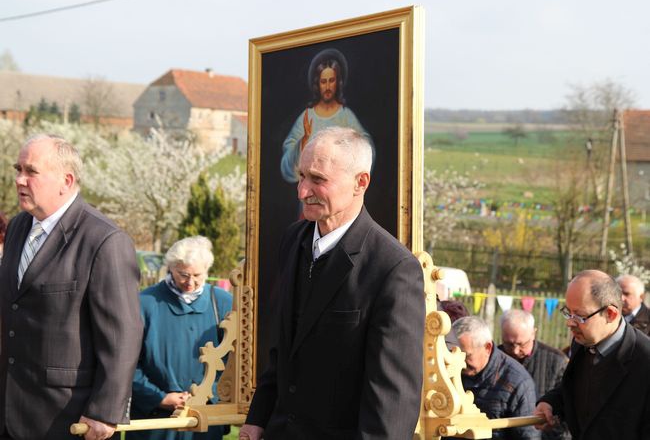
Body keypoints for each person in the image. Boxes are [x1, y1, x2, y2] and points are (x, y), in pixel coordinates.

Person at [240, 127, 424, 440]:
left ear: (360, 182)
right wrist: (258, 418)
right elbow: (285, 348)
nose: (301, 191)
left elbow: (392, 403)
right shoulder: (292, 240)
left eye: (318, 179)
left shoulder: (394, 269)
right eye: (301, 176)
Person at [0, 134, 143, 440]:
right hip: (9, 411)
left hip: (65, 419)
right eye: (18, 169)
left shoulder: (104, 240)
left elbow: (123, 334)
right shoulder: (17, 227)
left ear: (66, 180)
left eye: (31, 171)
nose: (20, 179)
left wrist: (105, 410)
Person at [130, 235, 232, 440]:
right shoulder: (145, 303)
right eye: (183, 274)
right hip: (156, 421)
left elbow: (234, 359)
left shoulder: (223, 303)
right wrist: (160, 397)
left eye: (197, 275)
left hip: (206, 416)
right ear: (171, 267)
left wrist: (208, 393)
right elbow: (127, 363)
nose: (190, 282)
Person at [534, 270, 650, 439]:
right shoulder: (583, 340)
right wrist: (550, 402)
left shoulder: (645, 361)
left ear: (611, 314)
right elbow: (577, 385)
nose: (569, 323)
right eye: (568, 312)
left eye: (580, 316)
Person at [280, 48, 373, 183]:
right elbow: (287, 165)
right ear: (318, 84)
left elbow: (366, 147)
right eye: (324, 82)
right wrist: (304, 139)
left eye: (332, 80)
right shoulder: (307, 116)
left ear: (338, 82)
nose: (328, 86)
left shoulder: (346, 116)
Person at [452, 316, 540, 440]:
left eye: (466, 355)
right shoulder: (447, 370)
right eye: (452, 354)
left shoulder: (517, 382)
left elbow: (528, 436)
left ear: (487, 348)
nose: (459, 362)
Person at [498, 310, 570, 440]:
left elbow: (566, 408)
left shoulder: (557, 362)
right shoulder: (494, 359)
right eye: (508, 344)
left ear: (533, 334)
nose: (515, 351)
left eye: (521, 344)